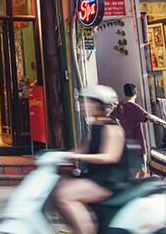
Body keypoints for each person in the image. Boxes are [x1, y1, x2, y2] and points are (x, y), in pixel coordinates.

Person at [54, 85, 127, 234]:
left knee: (64, 195)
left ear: (99, 104)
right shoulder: (95, 125)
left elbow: (110, 156)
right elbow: (84, 148)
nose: (82, 105)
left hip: (109, 180)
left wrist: (78, 156)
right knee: (58, 188)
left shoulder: (112, 127)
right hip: (95, 176)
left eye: (87, 101)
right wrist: (58, 156)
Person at [110, 83, 166, 178]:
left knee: (132, 170)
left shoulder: (121, 105)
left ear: (124, 92)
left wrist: (119, 124)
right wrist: (164, 122)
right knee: (140, 171)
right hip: (137, 144)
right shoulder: (132, 106)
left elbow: (111, 117)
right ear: (136, 93)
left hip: (126, 143)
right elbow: (149, 116)